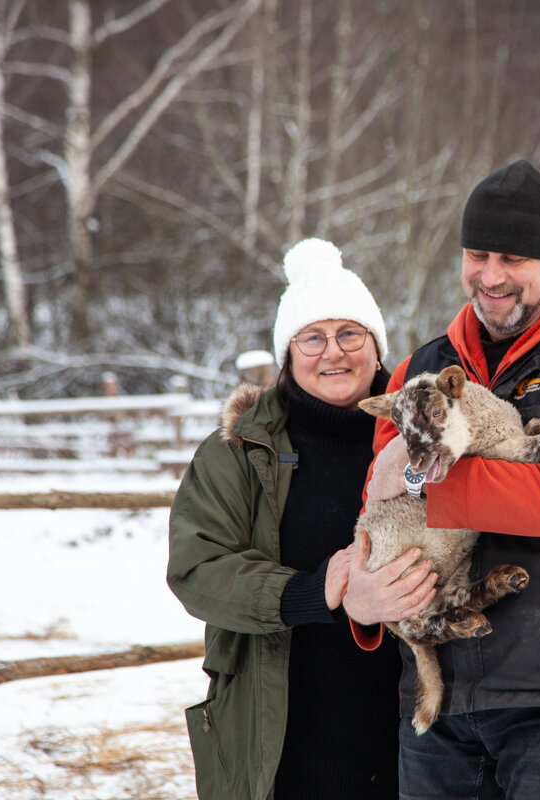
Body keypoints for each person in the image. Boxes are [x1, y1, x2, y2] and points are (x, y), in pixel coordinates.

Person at [360, 159, 540, 799]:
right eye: (478, 253)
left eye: (514, 259)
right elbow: (376, 506)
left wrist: (419, 477)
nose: (491, 277)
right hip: (438, 691)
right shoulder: (420, 367)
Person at [167, 238, 439, 800]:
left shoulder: (424, 438)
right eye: (312, 337)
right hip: (282, 736)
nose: (332, 352)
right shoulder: (239, 451)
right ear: (287, 352)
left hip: (415, 738)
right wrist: (320, 593)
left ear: (377, 345)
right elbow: (198, 568)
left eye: (350, 333)